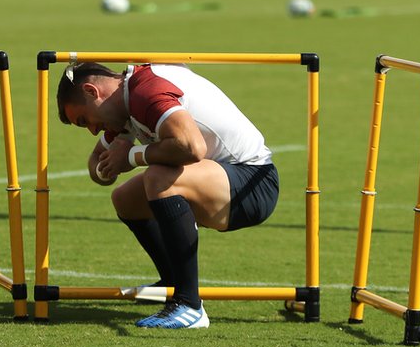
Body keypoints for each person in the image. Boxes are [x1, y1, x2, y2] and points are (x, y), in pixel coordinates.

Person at [56, 62, 279, 329]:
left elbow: (190, 146)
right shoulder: (125, 101)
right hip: (227, 180)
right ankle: (173, 283)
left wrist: (129, 156)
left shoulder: (146, 91)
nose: (92, 130)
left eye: (84, 120)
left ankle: (189, 305)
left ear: (92, 91)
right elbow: (96, 162)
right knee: (125, 199)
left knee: (159, 179)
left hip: (253, 184)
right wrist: (106, 169)